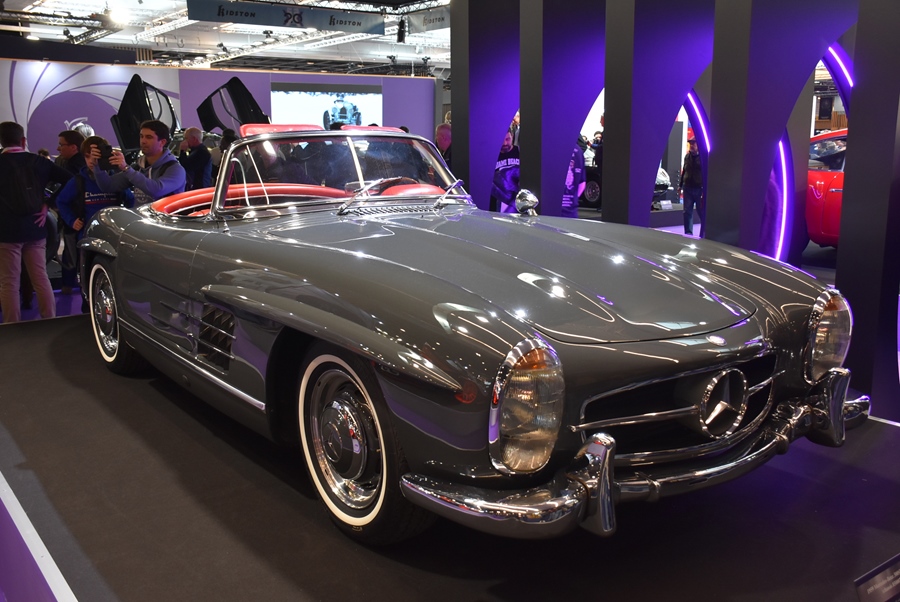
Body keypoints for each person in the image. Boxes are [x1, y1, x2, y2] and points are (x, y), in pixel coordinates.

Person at [0, 121, 72, 323]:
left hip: (6, 231)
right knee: (40, 277)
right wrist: (48, 203)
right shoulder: (39, 161)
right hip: (36, 226)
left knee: (9, 282)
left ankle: (12, 326)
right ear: (23, 140)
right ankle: (49, 321)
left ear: (2, 141)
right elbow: (70, 179)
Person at [56, 135, 133, 296]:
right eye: (88, 156)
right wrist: (72, 220)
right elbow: (61, 201)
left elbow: (131, 201)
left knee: (112, 277)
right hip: (86, 236)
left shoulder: (115, 179)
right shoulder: (78, 181)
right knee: (87, 279)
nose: (92, 161)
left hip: (112, 237)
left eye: (96, 156)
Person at [92, 119, 185, 206]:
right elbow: (108, 186)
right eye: (141, 136)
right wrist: (97, 165)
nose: (143, 141)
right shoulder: (138, 167)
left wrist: (126, 168)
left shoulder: (175, 169)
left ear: (162, 142)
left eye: (149, 137)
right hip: (140, 218)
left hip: (164, 218)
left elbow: (157, 190)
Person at [678, 137, 705, 237]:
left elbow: (706, 174)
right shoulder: (687, 157)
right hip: (687, 188)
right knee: (687, 212)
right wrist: (680, 186)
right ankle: (688, 233)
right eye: (690, 143)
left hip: (699, 189)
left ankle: (704, 232)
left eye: (694, 143)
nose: (692, 145)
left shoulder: (703, 158)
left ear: (699, 145)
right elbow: (684, 171)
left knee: (701, 212)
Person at [490, 128, 520, 213]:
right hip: (498, 201)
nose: (505, 143)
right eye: (501, 140)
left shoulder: (520, 152)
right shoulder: (492, 156)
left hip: (519, 199)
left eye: (507, 139)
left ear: (512, 136)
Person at [561, 141, 586, 218]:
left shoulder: (552, 147)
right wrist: (573, 198)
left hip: (552, 211)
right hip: (571, 211)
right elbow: (582, 183)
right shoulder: (578, 150)